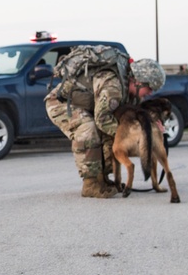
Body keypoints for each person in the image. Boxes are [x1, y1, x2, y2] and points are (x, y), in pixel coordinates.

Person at [45, 52, 166, 198]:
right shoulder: (113, 86)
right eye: (150, 88)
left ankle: (103, 178)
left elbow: (134, 116)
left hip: (87, 107)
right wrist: (127, 135)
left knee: (112, 134)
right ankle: (91, 184)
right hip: (61, 104)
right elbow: (102, 119)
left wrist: (153, 127)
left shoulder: (129, 91)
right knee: (88, 128)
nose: (150, 93)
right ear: (139, 82)